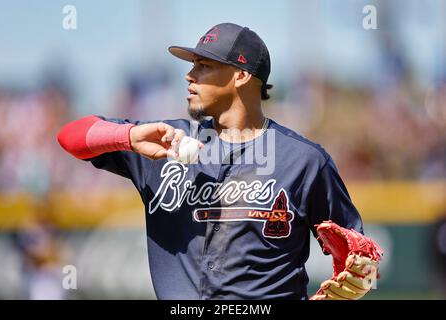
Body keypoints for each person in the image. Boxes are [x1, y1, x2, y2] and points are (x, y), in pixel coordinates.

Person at [57, 22, 380, 300]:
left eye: (204, 65)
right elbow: (70, 137)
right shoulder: (161, 142)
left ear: (241, 75)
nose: (189, 75)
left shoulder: (305, 161)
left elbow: (357, 255)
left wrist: (355, 278)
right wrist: (128, 137)